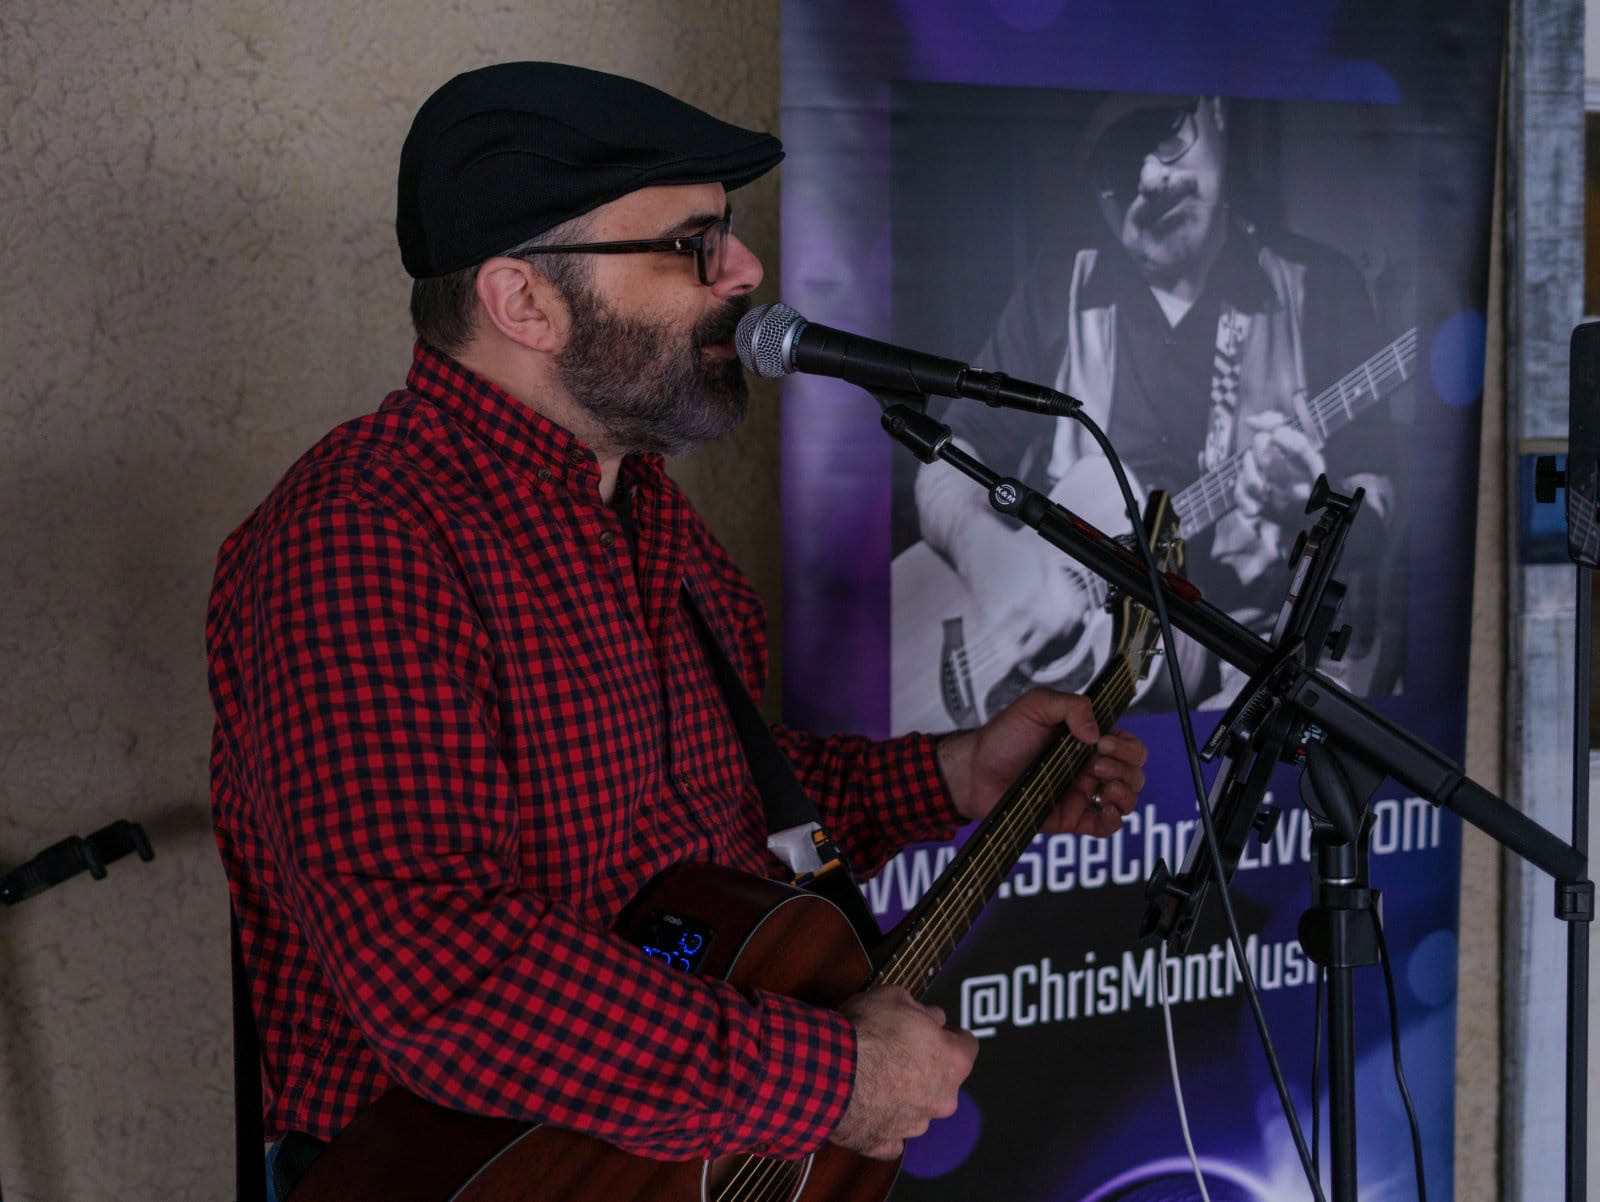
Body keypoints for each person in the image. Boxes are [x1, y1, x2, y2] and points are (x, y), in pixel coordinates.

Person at [207, 61, 1149, 1198]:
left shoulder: (648, 512)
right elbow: (443, 967)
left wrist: (955, 772)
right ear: (523, 301)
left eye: (728, 233)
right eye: (694, 244)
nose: (746, 273)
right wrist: (831, 1078)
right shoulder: (361, 540)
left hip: (665, 1156)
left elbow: (716, 803)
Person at [910, 93, 1406, 714]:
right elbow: (947, 454)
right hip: (1068, 693)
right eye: (1118, 163)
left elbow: (1379, 496)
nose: (1148, 177)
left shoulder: (1321, 286)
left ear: (1217, 115)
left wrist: (1309, 507)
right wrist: (986, 556)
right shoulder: (1056, 289)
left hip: (1253, 674)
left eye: (1168, 135)